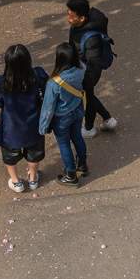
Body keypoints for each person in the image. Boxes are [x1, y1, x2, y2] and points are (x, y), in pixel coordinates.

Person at [0, 44, 47, 194]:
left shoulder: (1, 83)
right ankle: (33, 179)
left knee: (10, 156)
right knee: (34, 153)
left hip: (11, 129)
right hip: (34, 126)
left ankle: (16, 181)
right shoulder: (38, 76)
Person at [65, 0, 119, 136]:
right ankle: (108, 119)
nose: (68, 19)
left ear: (82, 18)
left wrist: (86, 82)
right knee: (89, 95)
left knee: (88, 96)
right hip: (82, 67)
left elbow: (94, 64)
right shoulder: (77, 27)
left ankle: (89, 128)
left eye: (71, 16)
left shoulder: (91, 39)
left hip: (90, 71)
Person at [38, 42, 89, 185]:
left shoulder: (54, 83)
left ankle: (71, 175)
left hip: (62, 118)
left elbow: (48, 107)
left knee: (64, 144)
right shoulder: (81, 68)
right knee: (77, 137)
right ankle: (82, 165)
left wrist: (43, 127)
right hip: (77, 109)